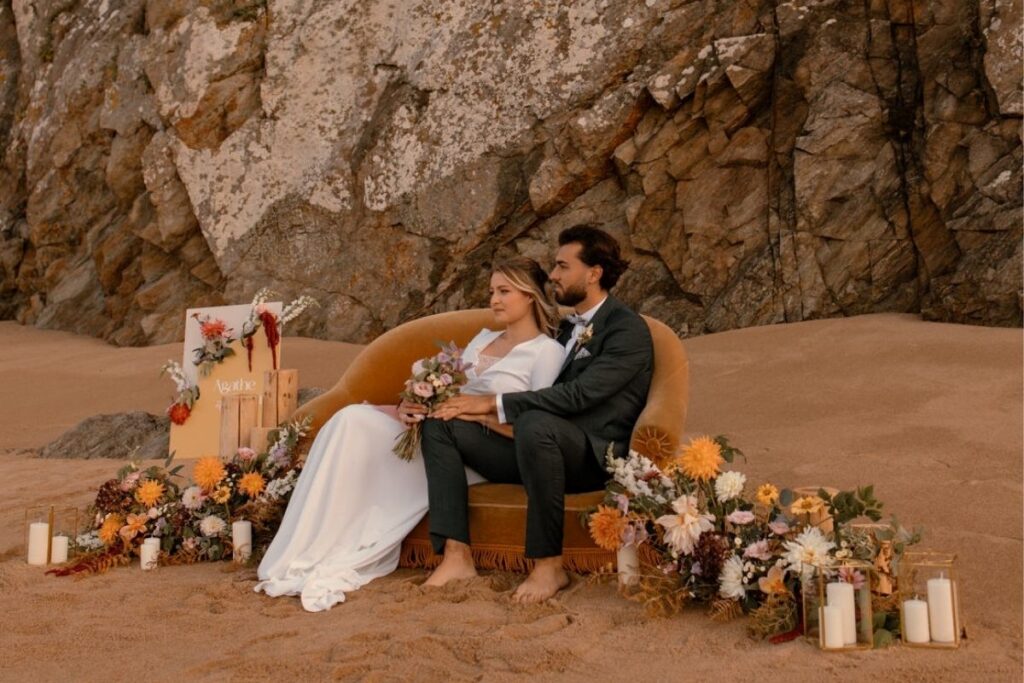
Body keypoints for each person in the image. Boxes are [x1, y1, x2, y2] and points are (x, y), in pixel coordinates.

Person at [255, 258, 564, 611]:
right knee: (352, 419)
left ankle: (456, 555)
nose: (494, 299)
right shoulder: (484, 339)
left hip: (501, 448)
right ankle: (312, 539)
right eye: (492, 291)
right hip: (448, 433)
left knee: (442, 425)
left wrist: (471, 412)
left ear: (530, 296)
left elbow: (537, 427)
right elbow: (448, 386)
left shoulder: (547, 351)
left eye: (504, 291)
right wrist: (414, 401)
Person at [416, 225, 653, 603]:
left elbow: (578, 396)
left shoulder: (627, 330)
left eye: (562, 266)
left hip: (590, 457)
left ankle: (548, 566)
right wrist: (461, 407)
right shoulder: (561, 331)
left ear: (594, 273)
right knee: (441, 423)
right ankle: (456, 554)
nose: (554, 276)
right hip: (534, 447)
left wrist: (490, 405)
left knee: (534, 422)